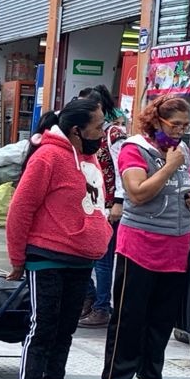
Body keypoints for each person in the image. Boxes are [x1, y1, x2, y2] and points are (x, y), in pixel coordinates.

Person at [6, 98, 111, 379]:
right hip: (46, 256)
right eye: (98, 126)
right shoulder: (48, 157)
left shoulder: (91, 160)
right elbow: (20, 209)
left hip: (82, 259)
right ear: (78, 131)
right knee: (43, 325)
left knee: (65, 328)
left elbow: (96, 206)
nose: (103, 131)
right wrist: (17, 259)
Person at [100, 95, 190, 379]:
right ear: (157, 121)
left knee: (162, 316)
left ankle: (150, 375)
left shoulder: (180, 150)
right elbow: (137, 193)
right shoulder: (135, 149)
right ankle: (115, 378)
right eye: (175, 124)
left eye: (186, 125)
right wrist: (169, 168)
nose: (181, 131)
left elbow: (179, 188)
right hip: (141, 244)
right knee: (131, 314)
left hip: (176, 244)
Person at [79, 85, 129, 328]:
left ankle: (101, 307)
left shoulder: (115, 135)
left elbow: (123, 170)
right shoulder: (90, 134)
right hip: (94, 203)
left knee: (103, 259)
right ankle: (91, 299)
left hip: (110, 206)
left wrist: (118, 202)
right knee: (86, 254)